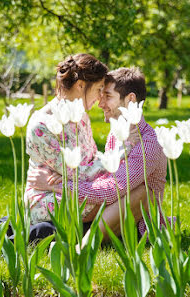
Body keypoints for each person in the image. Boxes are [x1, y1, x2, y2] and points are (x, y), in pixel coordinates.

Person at [28, 67, 167, 239]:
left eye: (107, 96)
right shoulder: (116, 134)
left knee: (141, 193)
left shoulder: (147, 143)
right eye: (100, 95)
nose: (100, 103)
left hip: (133, 224)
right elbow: (106, 179)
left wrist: (58, 186)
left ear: (131, 99)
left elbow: (111, 190)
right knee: (45, 226)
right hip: (106, 211)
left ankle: (86, 245)